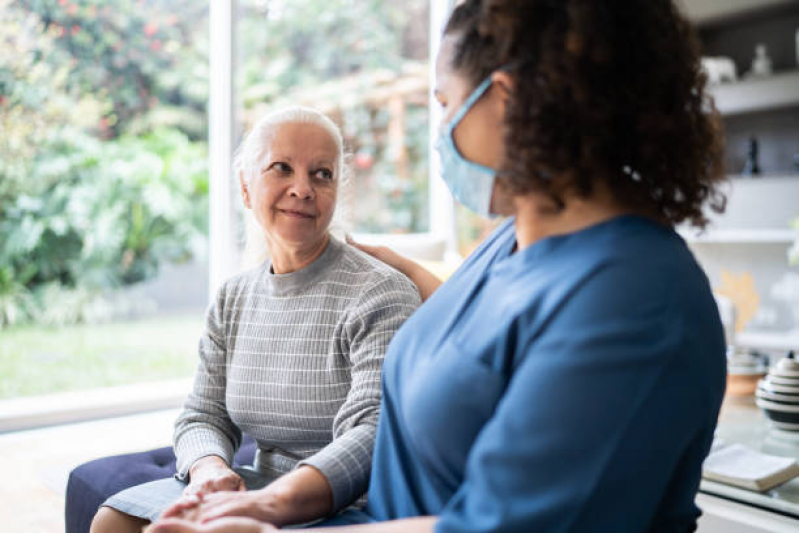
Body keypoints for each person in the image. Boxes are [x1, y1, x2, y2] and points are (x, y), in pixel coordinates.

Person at [149, 0, 728, 531]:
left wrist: (269, 518)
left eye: (446, 104)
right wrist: (262, 501)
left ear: (506, 103)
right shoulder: (513, 242)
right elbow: (494, 338)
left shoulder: (634, 304)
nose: (441, 131)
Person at [89, 107, 421, 533]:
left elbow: (373, 433)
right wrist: (208, 472)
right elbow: (202, 416)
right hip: (258, 485)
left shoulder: (380, 292)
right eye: (281, 168)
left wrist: (267, 504)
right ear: (246, 188)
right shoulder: (233, 297)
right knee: (113, 522)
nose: (302, 189)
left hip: (347, 502)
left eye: (322, 174)